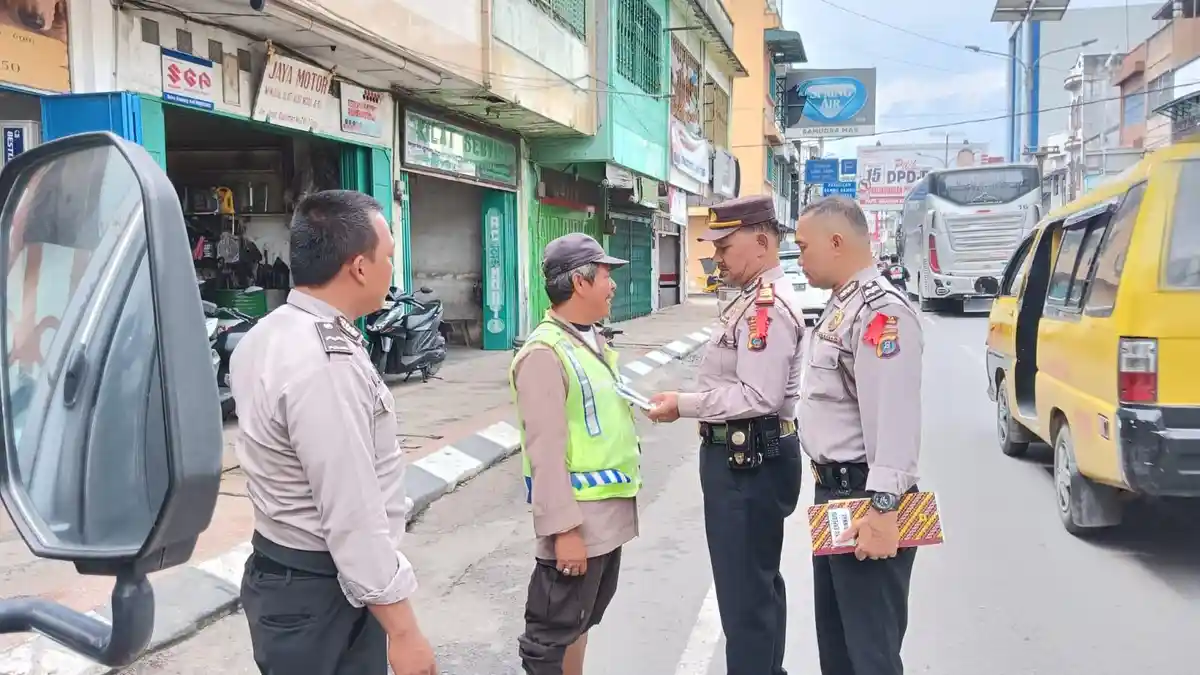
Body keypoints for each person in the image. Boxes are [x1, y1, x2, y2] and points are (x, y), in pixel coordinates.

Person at [230, 190, 437, 675]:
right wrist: (404, 632)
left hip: (286, 574)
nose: (392, 268)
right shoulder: (324, 362)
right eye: (388, 256)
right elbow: (351, 514)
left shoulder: (269, 333)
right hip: (322, 588)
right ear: (360, 266)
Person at [647, 195, 804, 675]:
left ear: (760, 242)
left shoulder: (766, 308)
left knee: (745, 599)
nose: (717, 258)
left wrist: (685, 405)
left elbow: (759, 395)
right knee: (755, 587)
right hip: (746, 459)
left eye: (725, 246)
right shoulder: (749, 300)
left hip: (749, 461)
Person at [792, 195, 924, 675]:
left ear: (836, 242)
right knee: (838, 645)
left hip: (865, 497)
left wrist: (885, 510)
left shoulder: (879, 313)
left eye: (804, 248)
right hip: (833, 493)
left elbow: (894, 416)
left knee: (870, 652)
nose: (800, 258)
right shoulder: (840, 308)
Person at [510, 232, 641, 675]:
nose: (613, 285)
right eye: (606, 274)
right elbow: (545, 451)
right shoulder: (544, 353)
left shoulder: (589, 342)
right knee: (549, 637)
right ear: (580, 283)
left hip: (605, 520)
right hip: (578, 523)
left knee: (580, 622)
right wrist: (563, 530)